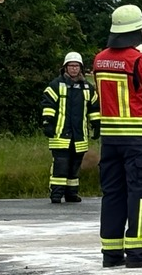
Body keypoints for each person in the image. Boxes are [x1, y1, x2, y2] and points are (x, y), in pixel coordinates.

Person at [92, 5, 142, 268]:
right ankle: (138, 251)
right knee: (139, 193)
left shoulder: (99, 59)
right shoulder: (139, 60)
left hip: (110, 139)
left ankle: (111, 253)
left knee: (113, 193)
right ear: (138, 31)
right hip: (138, 138)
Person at [40, 51, 99, 204]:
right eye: (71, 66)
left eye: (76, 66)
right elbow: (48, 105)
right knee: (60, 166)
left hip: (79, 136)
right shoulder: (55, 85)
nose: (74, 69)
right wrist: (47, 122)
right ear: (65, 68)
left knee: (75, 166)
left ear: (81, 68)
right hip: (60, 135)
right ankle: (56, 195)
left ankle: (71, 194)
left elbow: (94, 108)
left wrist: (96, 124)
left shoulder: (87, 87)